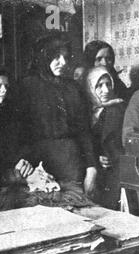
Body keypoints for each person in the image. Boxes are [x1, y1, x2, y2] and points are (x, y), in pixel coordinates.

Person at [18, 32, 97, 197]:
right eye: (56, 57)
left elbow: (84, 132)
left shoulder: (73, 88)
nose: (63, 62)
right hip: (38, 165)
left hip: (71, 164)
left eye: (65, 57)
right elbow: (18, 132)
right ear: (44, 57)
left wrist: (91, 168)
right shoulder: (26, 87)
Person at [0, 68, 34, 211]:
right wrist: (6, 176)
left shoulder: (11, 115)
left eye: (6, 86)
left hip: (11, 178)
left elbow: (21, 146)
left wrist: (23, 162)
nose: (3, 90)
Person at [85, 66, 125, 209]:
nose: (106, 90)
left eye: (108, 84)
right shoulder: (85, 111)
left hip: (109, 174)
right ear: (90, 87)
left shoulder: (116, 109)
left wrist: (111, 157)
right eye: (99, 85)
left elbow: (120, 144)